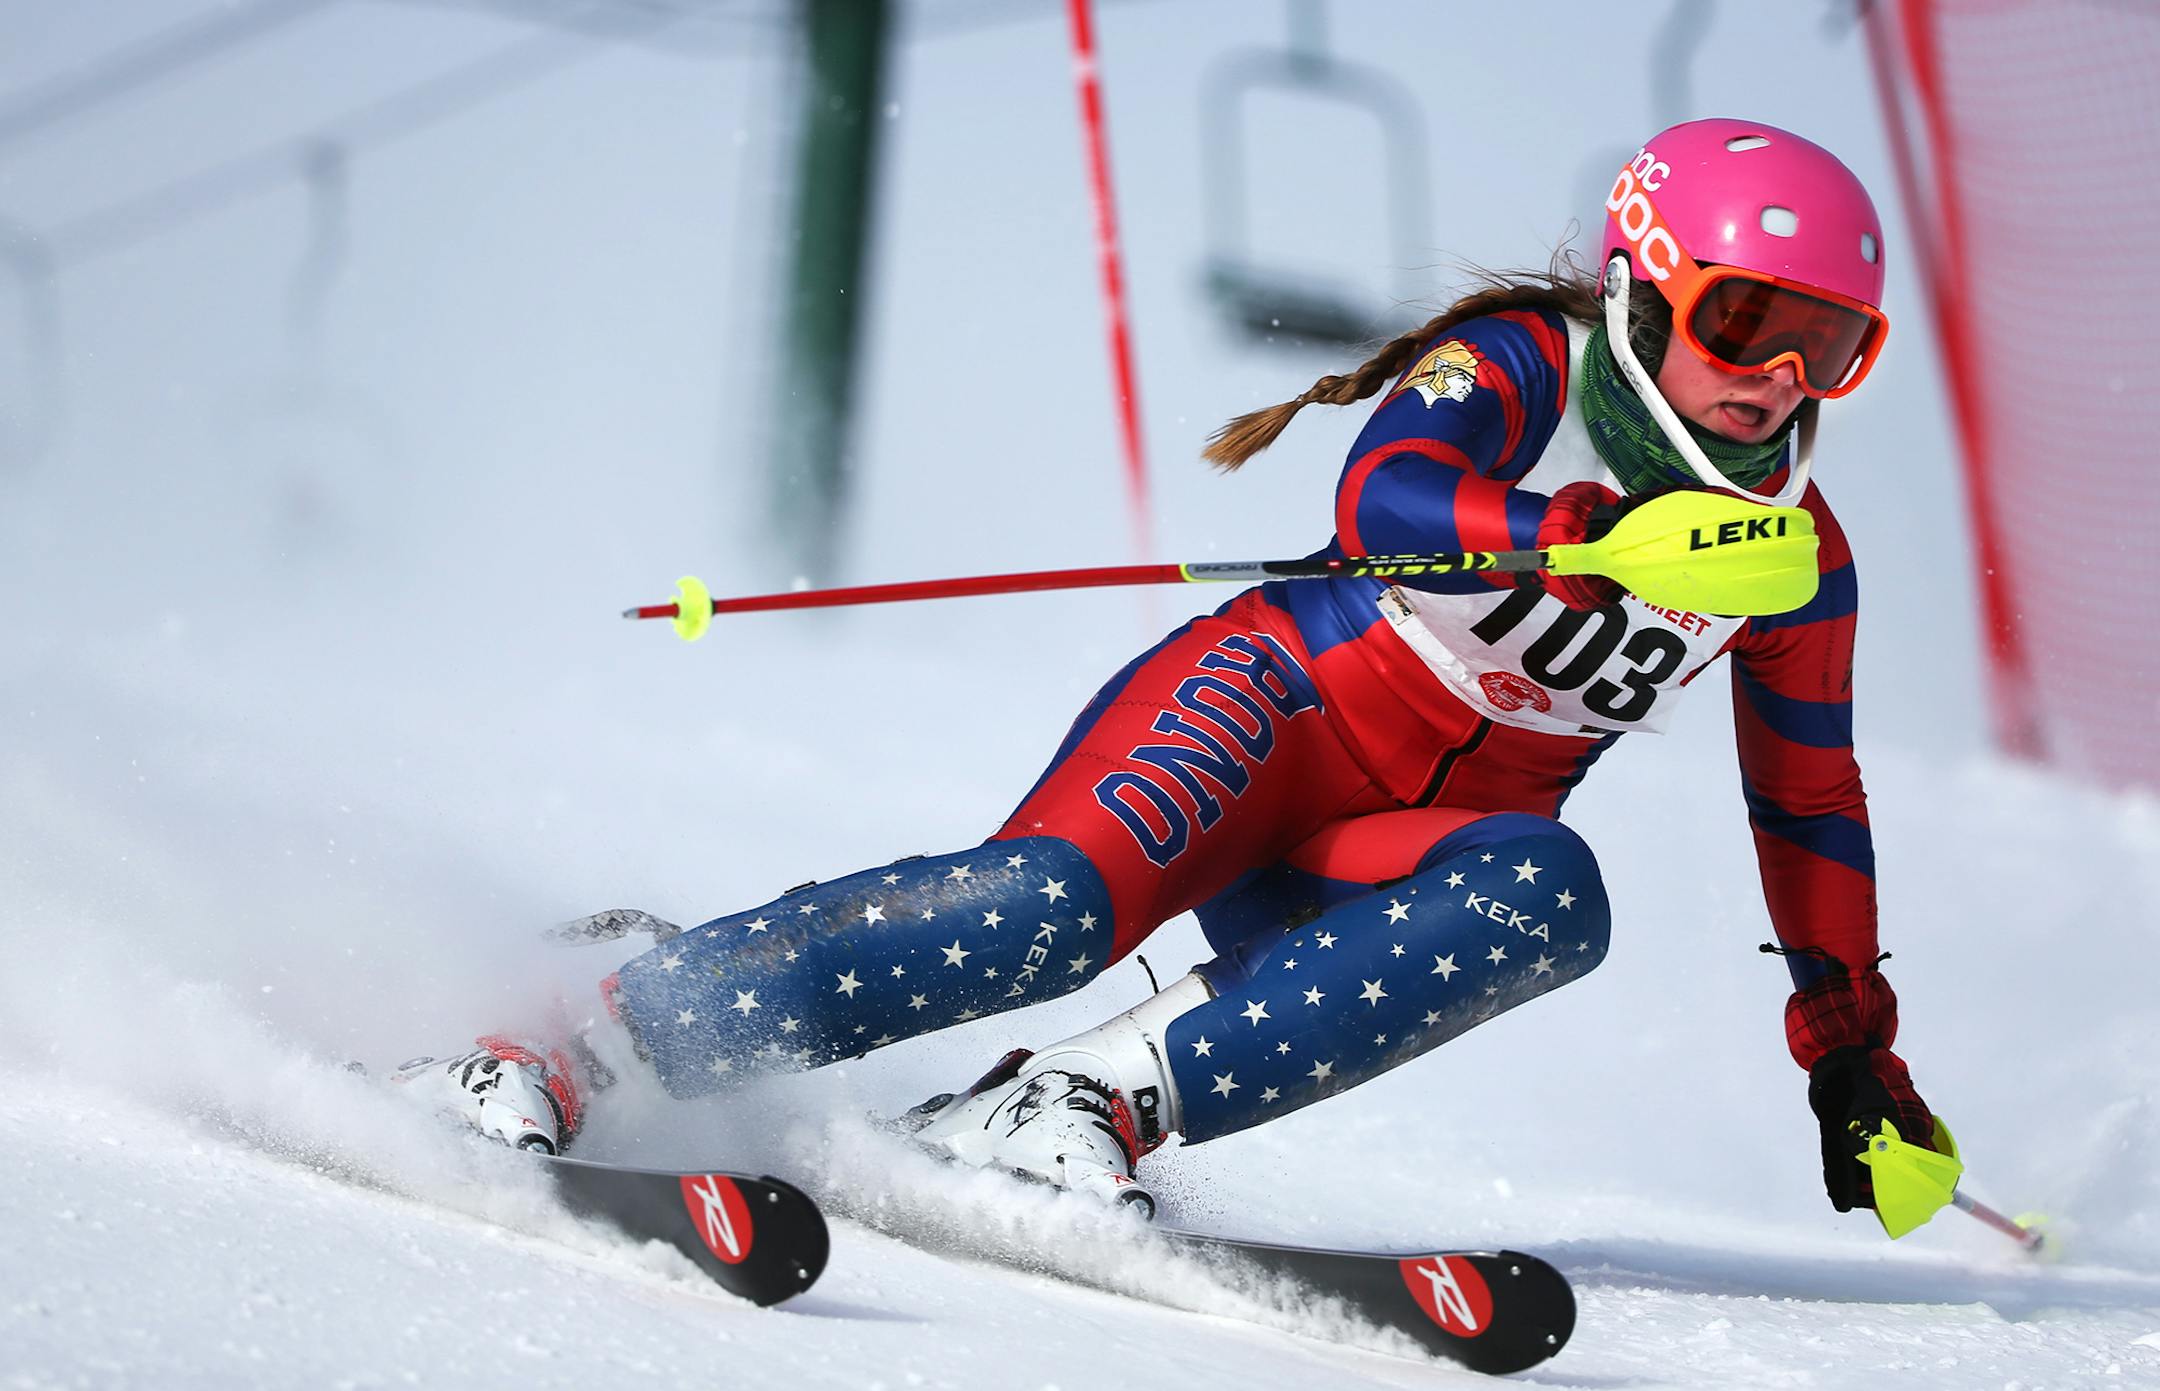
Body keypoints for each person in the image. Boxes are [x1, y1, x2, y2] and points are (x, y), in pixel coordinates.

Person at [403, 117, 1941, 1224]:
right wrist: (1580, 536)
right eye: (1747, 318)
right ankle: (570, 1026)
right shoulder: (1525, 367)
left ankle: (1066, 1108)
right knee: (1046, 911)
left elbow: (1808, 799)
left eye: (1831, 343)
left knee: (1553, 895)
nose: (1777, 377)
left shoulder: (1797, 557)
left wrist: (1850, 1048)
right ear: (1647, 285)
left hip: (1381, 854)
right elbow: (1385, 499)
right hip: (1275, 711)